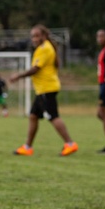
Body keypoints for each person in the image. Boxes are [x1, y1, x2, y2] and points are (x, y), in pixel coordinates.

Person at [9, 25, 78, 157]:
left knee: (53, 117)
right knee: (33, 116)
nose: (34, 39)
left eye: (37, 36)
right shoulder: (45, 47)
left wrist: (18, 76)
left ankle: (70, 144)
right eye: (32, 36)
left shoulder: (44, 48)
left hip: (47, 89)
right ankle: (27, 147)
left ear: (44, 36)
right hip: (42, 89)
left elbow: (35, 69)